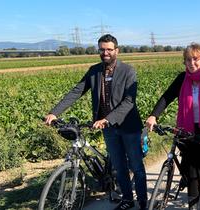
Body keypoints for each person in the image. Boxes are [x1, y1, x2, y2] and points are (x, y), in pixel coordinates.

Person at [44, 34, 147, 210]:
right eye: (102, 49)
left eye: (109, 49)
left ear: (117, 50)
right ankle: (128, 200)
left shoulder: (128, 71)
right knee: (120, 166)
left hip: (129, 127)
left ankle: (144, 202)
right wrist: (54, 112)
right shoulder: (95, 71)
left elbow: (129, 102)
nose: (105, 52)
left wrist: (107, 119)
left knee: (136, 166)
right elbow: (76, 92)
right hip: (108, 129)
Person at [145, 43, 200, 210]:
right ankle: (193, 206)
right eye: (188, 60)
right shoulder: (182, 78)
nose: (191, 63)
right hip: (187, 130)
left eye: (195, 59)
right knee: (191, 173)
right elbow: (167, 97)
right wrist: (154, 115)